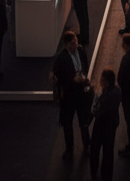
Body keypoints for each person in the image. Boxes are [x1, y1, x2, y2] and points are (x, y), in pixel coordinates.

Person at [51, 30, 91, 161]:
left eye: (76, 42)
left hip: (81, 93)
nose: (75, 46)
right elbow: (56, 77)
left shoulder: (81, 50)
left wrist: (83, 78)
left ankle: (87, 145)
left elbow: (85, 65)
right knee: (67, 123)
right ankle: (69, 149)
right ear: (66, 45)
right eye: (72, 44)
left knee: (84, 120)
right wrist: (71, 80)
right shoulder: (61, 58)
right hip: (68, 96)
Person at [89, 67, 122, 181]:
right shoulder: (117, 91)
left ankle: (94, 174)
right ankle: (107, 176)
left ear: (105, 81)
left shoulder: (104, 96)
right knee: (108, 153)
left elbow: (96, 112)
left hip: (101, 127)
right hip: (111, 126)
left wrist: (96, 96)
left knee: (95, 151)